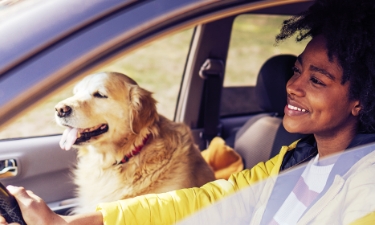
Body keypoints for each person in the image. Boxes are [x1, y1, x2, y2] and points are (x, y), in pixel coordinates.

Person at [2, 0, 375, 224]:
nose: (293, 86)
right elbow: (207, 200)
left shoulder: (367, 182)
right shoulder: (294, 159)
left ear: (359, 98)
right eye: (296, 70)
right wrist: (71, 222)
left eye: (318, 80)